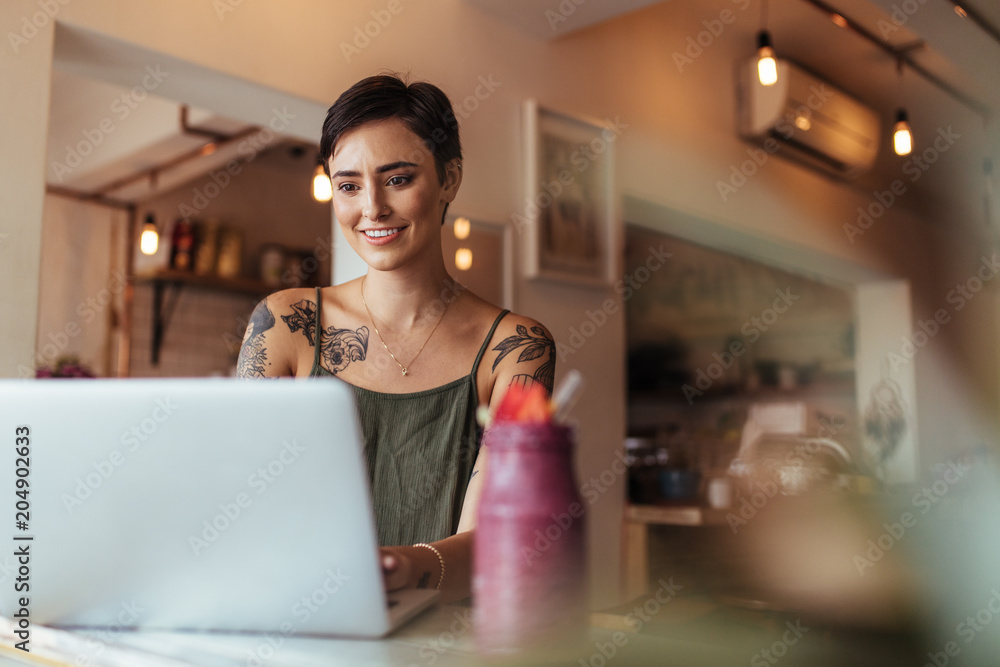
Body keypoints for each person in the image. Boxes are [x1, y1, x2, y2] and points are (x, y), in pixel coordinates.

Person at [235, 74, 555, 603]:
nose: (372, 208)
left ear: (449, 179)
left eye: (399, 179)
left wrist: (404, 567)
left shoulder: (515, 348)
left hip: (442, 639)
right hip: (298, 625)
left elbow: (499, 538)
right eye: (349, 185)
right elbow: (240, 498)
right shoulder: (285, 324)